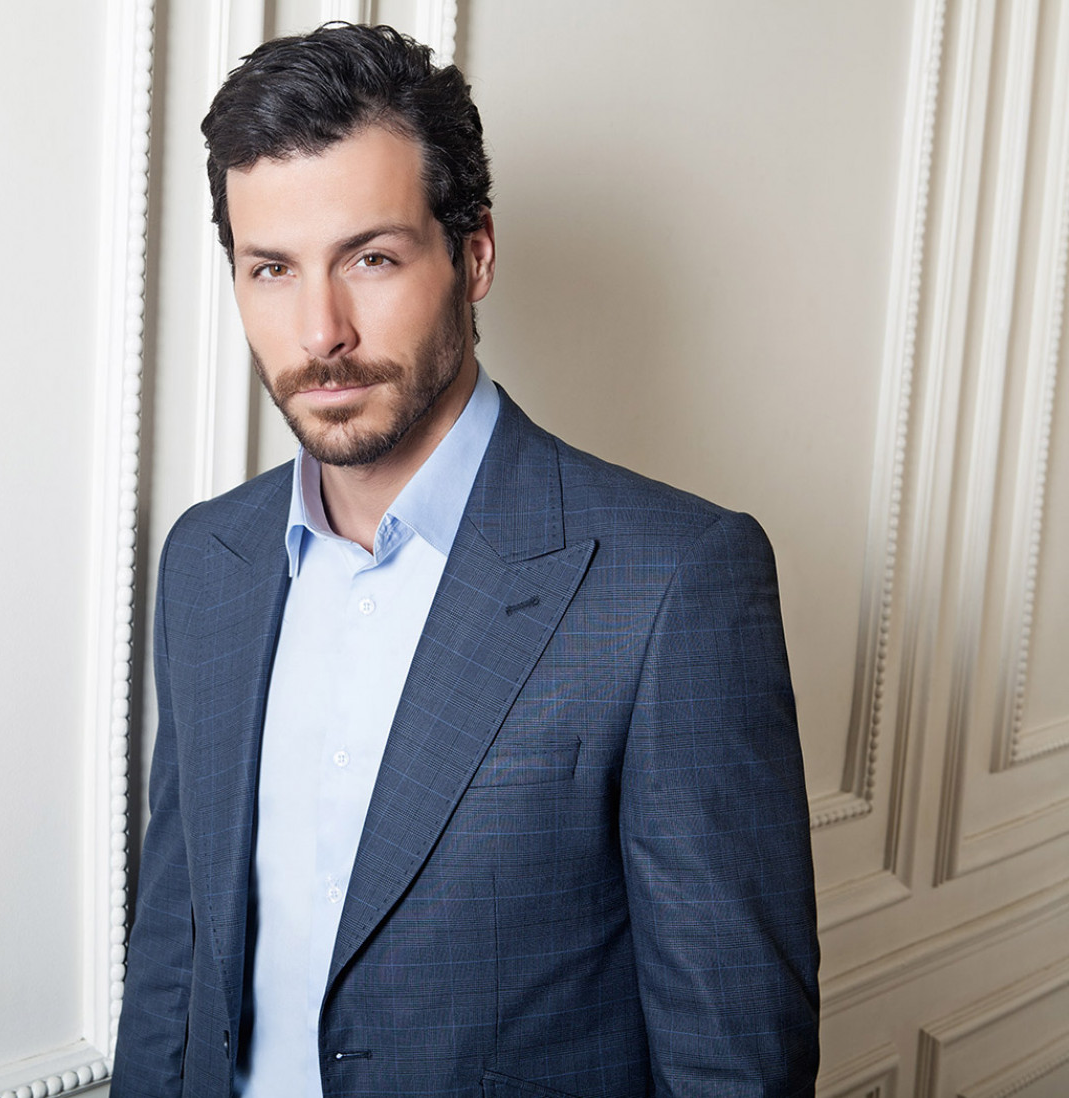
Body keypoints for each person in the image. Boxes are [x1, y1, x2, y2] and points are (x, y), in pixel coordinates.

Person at [113, 22, 819, 1098]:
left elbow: (733, 1062)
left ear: (474, 254)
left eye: (371, 258)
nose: (320, 331)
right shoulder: (207, 560)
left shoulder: (674, 582)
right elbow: (173, 958)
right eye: (272, 269)